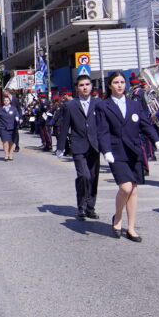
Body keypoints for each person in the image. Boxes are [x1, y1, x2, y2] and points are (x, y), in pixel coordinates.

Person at [97, 71, 159, 242]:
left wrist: (156, 140)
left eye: (122, 82)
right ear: (110, 85)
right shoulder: (103, 105)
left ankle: (131, 228)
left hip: (134, 151)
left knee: (134, 190)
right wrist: (107, 151)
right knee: (125, 188)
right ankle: (117, 217)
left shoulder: (134, 104)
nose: (119, 85)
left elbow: (145, 124)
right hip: (116, 152)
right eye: (115, 82)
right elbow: (103, 131)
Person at [56, 75, 101, 220]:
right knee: (84, 176)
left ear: (91, 86)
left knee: (93, 177)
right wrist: (61, 147)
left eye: (87, 84)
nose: (85, 87)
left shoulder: (98, 103)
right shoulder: (70, 105)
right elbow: (64, 127)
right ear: (77, 88)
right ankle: (81, 207)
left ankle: (90, 207)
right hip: (78, 146)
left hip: (95, 146)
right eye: (82, 85)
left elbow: (104, 126)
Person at [0, 95, 20, 161]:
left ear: (9, 101)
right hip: (3, 128)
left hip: (12, 127)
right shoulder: (0, 109)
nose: (6, 102)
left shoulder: (13, 108)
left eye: (7, 100)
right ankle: (6, 155)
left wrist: (18, 119)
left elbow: (17, 115)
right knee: (5, 142)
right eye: (5, 100)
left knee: (12, 142)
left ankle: (10, 154)